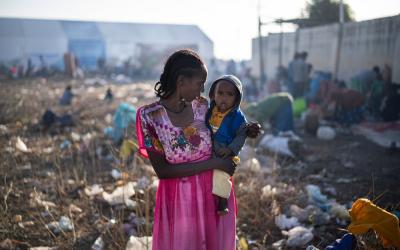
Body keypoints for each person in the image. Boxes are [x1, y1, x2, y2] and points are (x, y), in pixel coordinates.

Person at [136, 49, 238, 250]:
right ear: (181, 81)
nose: (202, 90)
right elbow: (163, 171)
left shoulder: (203, 108)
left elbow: (228, 129)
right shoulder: (150, 117)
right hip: (179, 201)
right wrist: (216, 163)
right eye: (200, 84)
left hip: (213, 195)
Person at [205, 75, 254, 215]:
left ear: (237, 98)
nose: (224, 98)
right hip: (206, 144)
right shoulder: (208, 110)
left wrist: (231, 149)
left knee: (222, 174)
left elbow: (241, 135)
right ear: (213, 94)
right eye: (220, 93)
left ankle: (222, 201)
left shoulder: (237, 117)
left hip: (223, 149)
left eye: (229, 94)